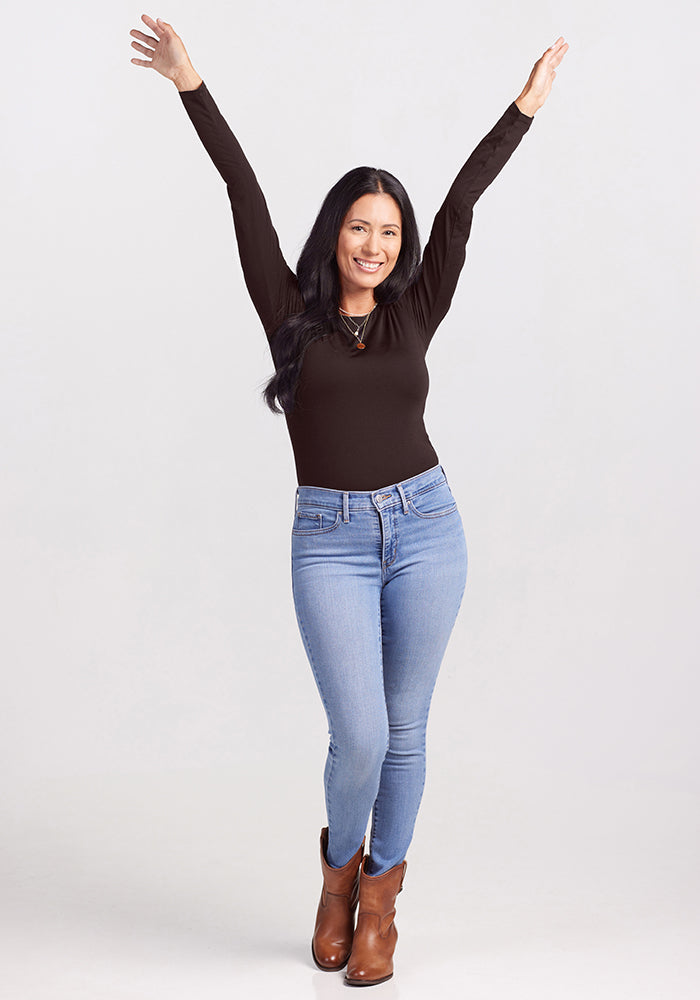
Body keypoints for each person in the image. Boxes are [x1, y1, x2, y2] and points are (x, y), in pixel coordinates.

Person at [129, 15, 568, 986]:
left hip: (427, 527)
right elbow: (240, 189)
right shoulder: (287, 310)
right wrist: (190, 83)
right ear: (335, 231)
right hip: (328, 537)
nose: (374, 243)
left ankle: (379, 907)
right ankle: (336, 875)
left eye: (388, 231)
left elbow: (461, 203)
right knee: (359, 734)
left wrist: (521, 109)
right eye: (359, 227)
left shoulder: (416, 306)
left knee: (407, 729)